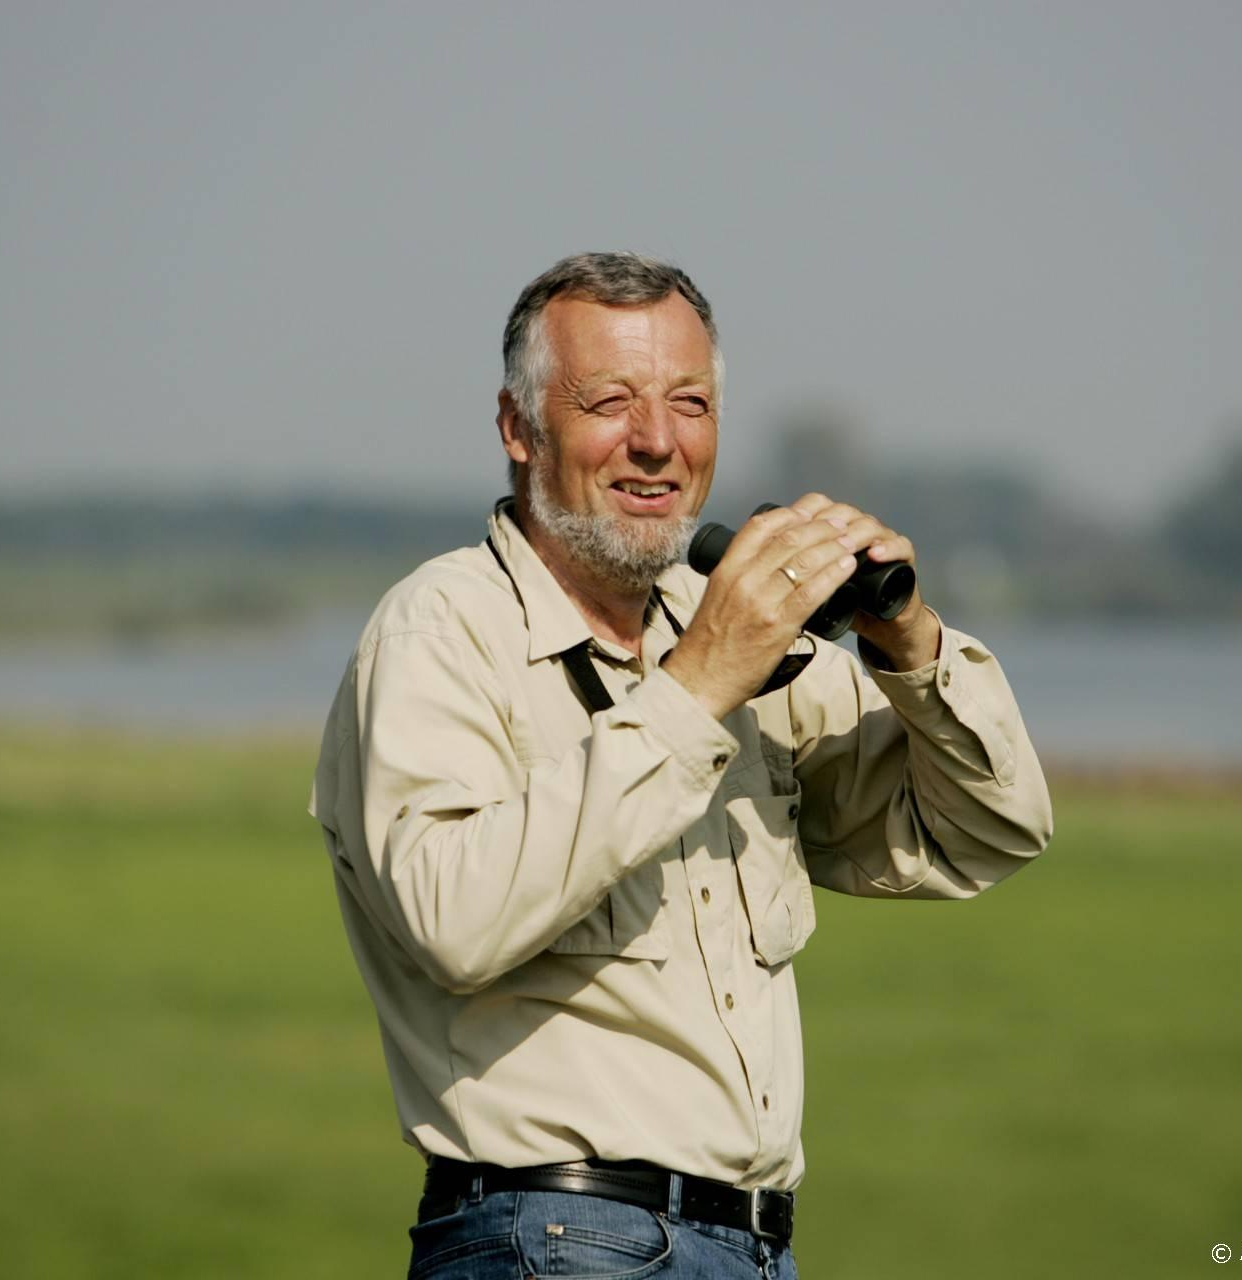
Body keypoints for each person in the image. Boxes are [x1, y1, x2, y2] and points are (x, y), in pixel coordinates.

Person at [311, 253, 1054, 1279]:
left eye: (690, 402)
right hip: (554, 1234)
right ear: (518, 427)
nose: (657, 440)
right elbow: (453, 917)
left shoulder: (741, 640)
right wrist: (696, 685)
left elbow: (990, 832)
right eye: (610, 400)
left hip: (752, 1244)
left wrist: (906, 635)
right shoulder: (441, 629)